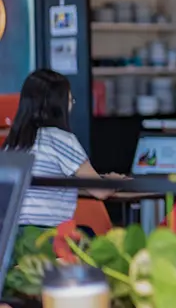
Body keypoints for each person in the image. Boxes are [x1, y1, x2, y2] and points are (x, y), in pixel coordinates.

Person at [5, 70, 112, 228]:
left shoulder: (12, 143)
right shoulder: (61, 140)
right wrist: (115, 180)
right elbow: (100, 191)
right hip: (46, 238)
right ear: (58, 106)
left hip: (11, 239)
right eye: (69, 101)